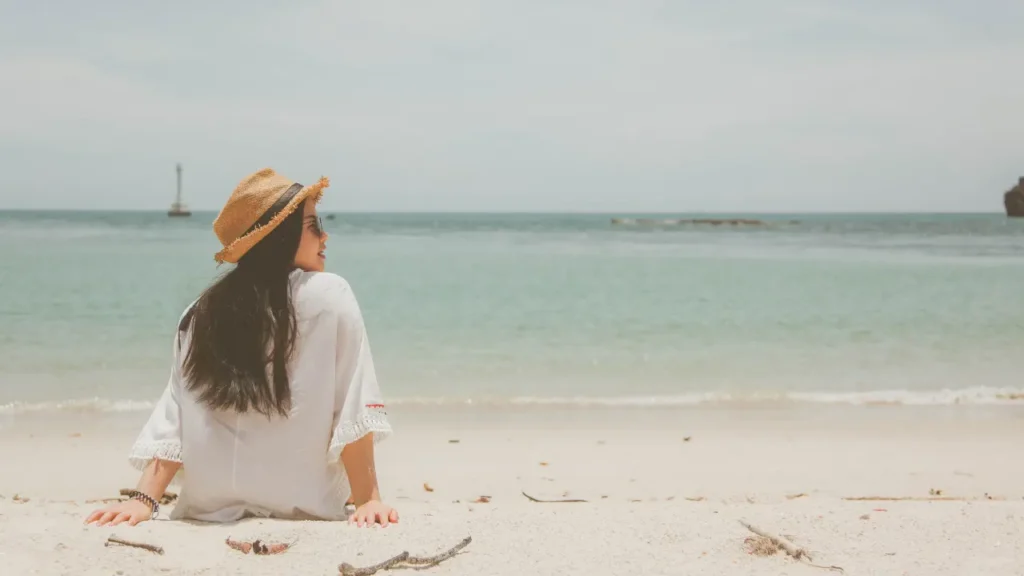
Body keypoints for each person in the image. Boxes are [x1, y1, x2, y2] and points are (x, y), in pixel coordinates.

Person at [85, 168, 397, 527]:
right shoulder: (330, 293)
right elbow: (352, 399)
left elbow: (176, 411)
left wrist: (143, 501)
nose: (325, 236)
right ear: (282, 236)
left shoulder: (199, 313)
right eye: (313, 225)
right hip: (301, 504)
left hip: (208, 507)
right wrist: (367, 500)